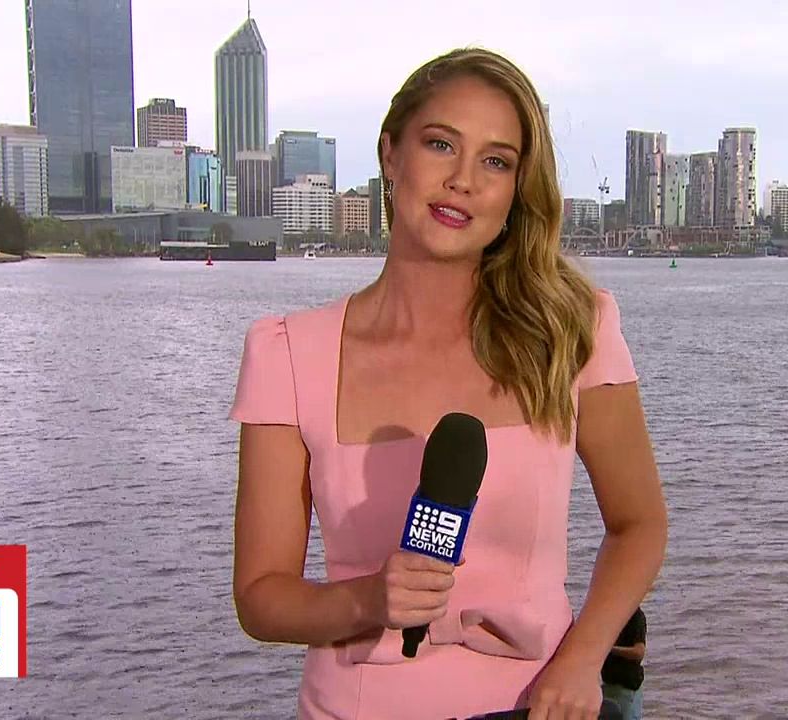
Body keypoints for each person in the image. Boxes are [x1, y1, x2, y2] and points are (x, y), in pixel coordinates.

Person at [228, 47, 667, 720]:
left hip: (538, 707)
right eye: (441, 145)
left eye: (496, 161)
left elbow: (639, 525)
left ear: (517, 190)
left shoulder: (573, 331)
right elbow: (261, 597)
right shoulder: (287, 354)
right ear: (390, 154)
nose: (463, 180)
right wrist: (367, 599)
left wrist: (582, 662)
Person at [599, 606, 646, 720]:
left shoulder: (635, 615)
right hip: (609, 683)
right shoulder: (609, 615)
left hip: (626, 686)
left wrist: (610, 649)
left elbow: (638, 652)